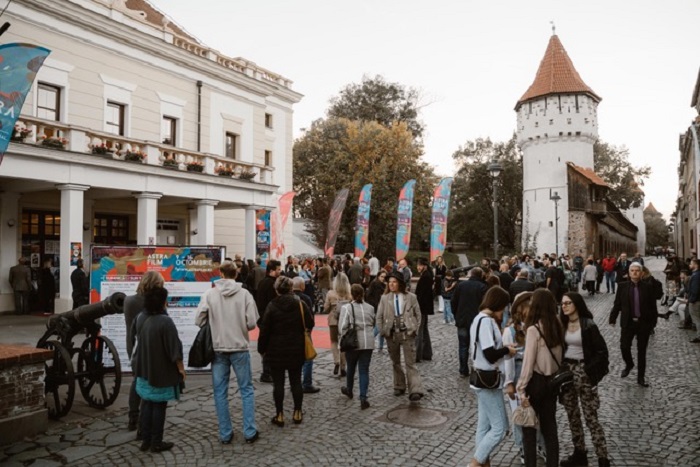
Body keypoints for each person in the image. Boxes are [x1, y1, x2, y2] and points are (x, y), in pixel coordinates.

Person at [195, 261, 260, 445]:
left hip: (218, 347)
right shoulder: (245, 294)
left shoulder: (210, 294)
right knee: (246, 390)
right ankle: (249, 431)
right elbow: (252, 323)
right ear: (236, 274)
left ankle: (225, 433)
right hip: (239, 346)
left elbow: (198, 319)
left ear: (221, 274)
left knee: (220, 392)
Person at [559, 292, 610, 467]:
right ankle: (579, 452)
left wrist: (590, 372)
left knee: (590, 416)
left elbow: (602, 352)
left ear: (577, 304)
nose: (564, 306)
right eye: (563, 303)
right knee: (572, 414)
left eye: (568, 303)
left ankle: (602, 457)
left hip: (583, 371)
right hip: (567, 372)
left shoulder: (588, 325)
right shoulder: (562, 324)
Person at [468, 286, 517, 467]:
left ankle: (483, 463)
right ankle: (475, 463)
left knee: (484, 426)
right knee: (500, 428)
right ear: (498, 304)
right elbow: (489, 353)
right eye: (504, 306)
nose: (504, 311)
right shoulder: (487, 321)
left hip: (481, 378)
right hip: (488, 379)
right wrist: (507, 350)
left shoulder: (478, 319)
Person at [132, 286, 185, 453]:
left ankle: (145, 440)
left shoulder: (141, 317)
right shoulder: (165, 321)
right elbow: (174, 350)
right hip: (160, 370)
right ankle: (156, 441)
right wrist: (181, 370)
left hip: (144, 367)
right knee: (159, 406)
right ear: (163, 302)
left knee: (147, 402)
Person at [517, 288, 564, 467]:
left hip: (535, 382)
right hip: (552, 382)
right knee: (550, 428)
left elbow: (528, 363)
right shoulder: (558, 325)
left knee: (529, 430)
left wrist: (521, 389)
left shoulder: (533, 330)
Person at [258, 276, 314, 427]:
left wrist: (261, 348)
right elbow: (310, 322)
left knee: (279, 384)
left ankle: (280, 414)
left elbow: (265, 329)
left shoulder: (272, 305)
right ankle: (297, 411)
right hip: (296, 347)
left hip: (276, 349)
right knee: (296, 381)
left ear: (276, 290)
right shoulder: (300, 304)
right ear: (290, 288)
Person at [124, 271, 165, 434]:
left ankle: (133, 416)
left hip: (133, 346)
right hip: (151, 347)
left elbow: (130, 328)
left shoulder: (129, 301)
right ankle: (146, 424)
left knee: (137, 382)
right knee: (150, 385)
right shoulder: (152, 303)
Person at [376, 272, 424, 401]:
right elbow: (379, 317)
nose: (391, 284)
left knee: (410, 362)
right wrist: (383, 331)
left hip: (407, 333)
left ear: (400, 283)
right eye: (389, 282)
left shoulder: (411, 297)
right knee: (395, 362)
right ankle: (399, 385)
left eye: (394, 282)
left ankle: (415, 389)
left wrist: (414, 329)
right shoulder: (385, 298)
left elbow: (418, 315)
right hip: (391, 334)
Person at [609, 262, 657, 387]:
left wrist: (653, 322)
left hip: (643, 323)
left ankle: (641, 377)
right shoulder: (622, 286)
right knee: (624, 346)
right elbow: (617, 304)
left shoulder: (648, 287)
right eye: (632, 270)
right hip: (628, 322)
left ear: (641, 273)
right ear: (629, 273)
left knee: (642, 352)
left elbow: (653, 306)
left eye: (637, 270)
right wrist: (612, 318)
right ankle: (629, 364)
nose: (634, 272)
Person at [339, 284, 375, 409]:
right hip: (368, 342)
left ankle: (349, 389)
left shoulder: (347, 308)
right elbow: (373, 322)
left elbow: (342, 326)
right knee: (364, 370)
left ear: (351, 294)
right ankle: (363, 397)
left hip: (354, 342)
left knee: (351, 367)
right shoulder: (370, 308)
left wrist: (343, 338)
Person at [452, 267, 488, 377]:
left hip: (462, 320)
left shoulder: (461, 285)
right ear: (481, 275)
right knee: (477, 345)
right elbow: (485, 304)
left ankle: (463, 370)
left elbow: (453, 302)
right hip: (477, 321)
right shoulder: (482, 287)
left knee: (463, 346)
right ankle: (477, 368)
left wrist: (456, 315)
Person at [292, 277, 320, 393]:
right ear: (302, 287)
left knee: (293, 359)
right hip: (304, 331)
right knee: (308, 357)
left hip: (291, 332)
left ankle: (295, 383)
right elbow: (310, 317)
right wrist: (309, 329)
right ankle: (307, 383)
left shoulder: (288, 298)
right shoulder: (306, 299)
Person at [256, 259, 282, 383]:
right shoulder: (272, 284)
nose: (280, 271)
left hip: (262, 317)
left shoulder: (262, 283)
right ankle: (267, 372)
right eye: (278, 269)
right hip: (268, 318)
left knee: (267, 344)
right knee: (269, 346)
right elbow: (273, 303)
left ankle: (268, 371)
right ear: (272, 271)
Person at [325, 272, 352, 376]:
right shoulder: (349, 294)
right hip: (345, 320)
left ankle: (336, 361)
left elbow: (326, 308)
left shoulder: (330, 293)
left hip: (333, 320)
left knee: (334, 341)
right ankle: (343, 366)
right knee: (343, 343)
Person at [414, 257, 434, 362]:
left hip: (421, 308)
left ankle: (417, 355)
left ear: (424, 266)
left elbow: (420, 295)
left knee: (419, 331)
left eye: (420, 265)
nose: (418, 267)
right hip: (424, 308)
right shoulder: (427, 275)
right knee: (424, 330)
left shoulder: (425, 277)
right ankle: (427, 353)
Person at [366, 270, 388, 351]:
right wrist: (375, 305)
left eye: (384, 277)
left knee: (381, 326)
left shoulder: (381, 284)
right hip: (377, 307)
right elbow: (369, 296)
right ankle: (368, 341)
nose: (383, 278)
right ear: (378, 276)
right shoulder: (376, 284)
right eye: (381, 276)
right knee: (379, 326)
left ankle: (380, 346)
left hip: (380, 307)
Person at [686, 259, 700, 343]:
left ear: (696, 265)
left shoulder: (696, 275)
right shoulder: (696, 274)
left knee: (697, 319)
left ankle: (699, 336)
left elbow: (695, 290)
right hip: (696, 299)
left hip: (696, 301)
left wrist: (691, 300)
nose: (689, 265)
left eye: (691, 264)